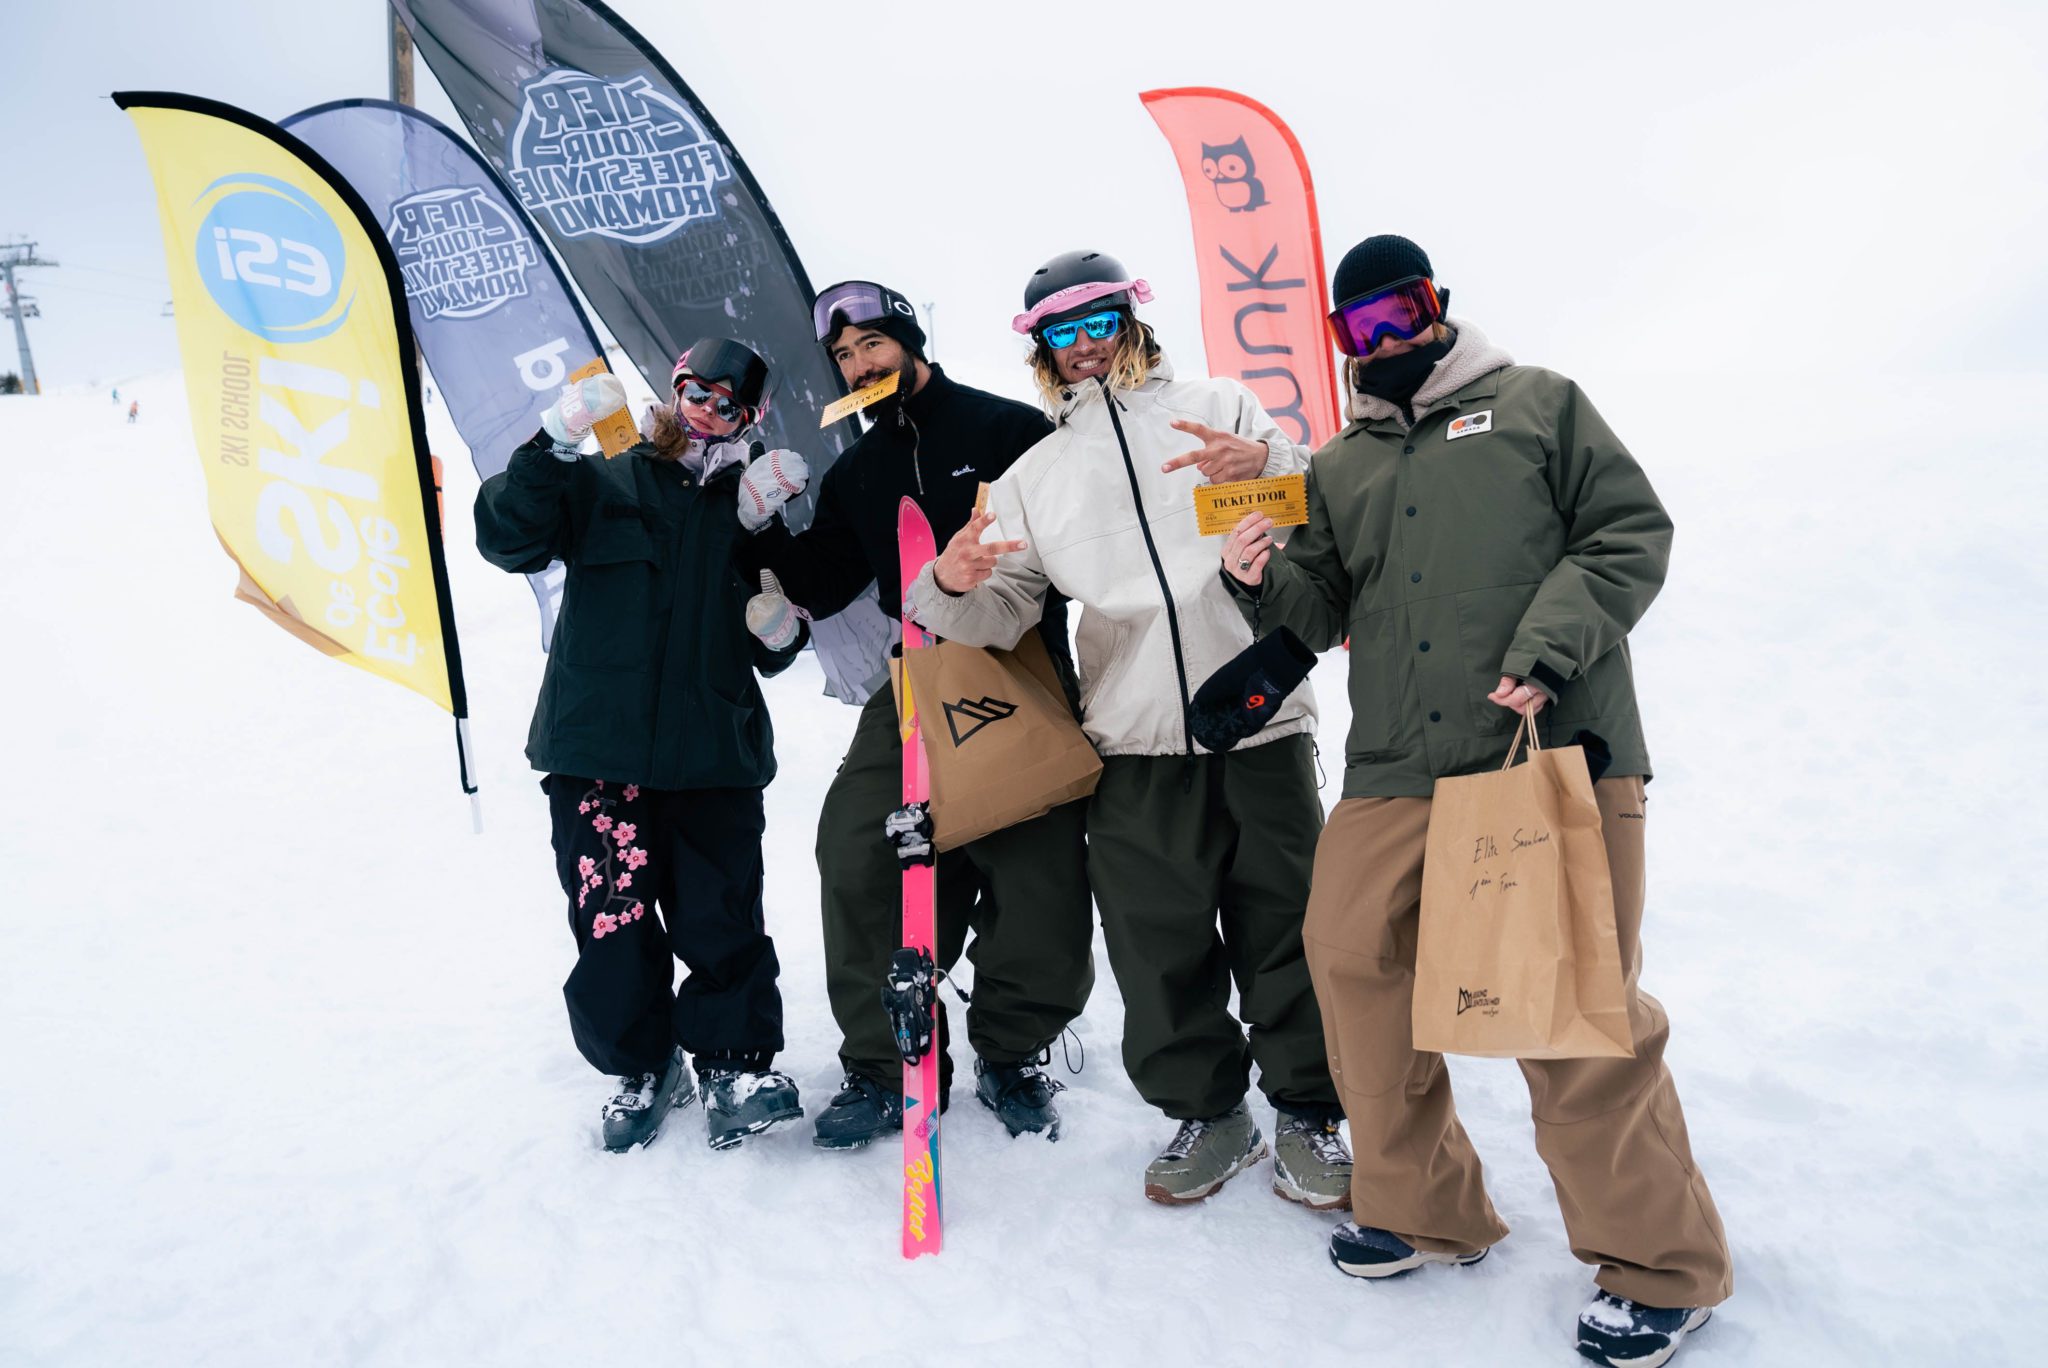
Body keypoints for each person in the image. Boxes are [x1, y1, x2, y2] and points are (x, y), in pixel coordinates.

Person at [1219, 234, 1733, 1366]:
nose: (1383, 338)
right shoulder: (1341, 463)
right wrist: (1257, 577)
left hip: (1543, 746)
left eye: (1398, 312)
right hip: (1397, 763)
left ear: (1436, 305)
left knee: (1570, 1005)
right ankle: (1423, 1209)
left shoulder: (1538, 404)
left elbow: (1627, 533)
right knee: (1349, 957)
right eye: (1358, 326)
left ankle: (1660, 1267)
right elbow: (1320, 607)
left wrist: (1548, 650)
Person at [906, 250, 1353, 1209]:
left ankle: (1310, 1113)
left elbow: (1317, 522)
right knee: (1160, 946)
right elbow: (1004, 611)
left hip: (1262, 722)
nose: (1084, 344)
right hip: (1134, 740)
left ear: (1130, 320)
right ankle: (1211, 1113)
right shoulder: (1033, 477)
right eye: (1061, 331)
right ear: (1041, 349)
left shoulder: (1222, 407)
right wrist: (949, 584)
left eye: (1098, 320)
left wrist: (1270, 466)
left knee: (1289, 927)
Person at [735, 280, 1096, 1150]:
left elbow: (1076, 540)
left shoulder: (1008, 430)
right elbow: (825, 582)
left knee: (1036, 871)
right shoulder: (859, 471)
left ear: (907, 340)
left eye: (872, 344)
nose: (860, 364)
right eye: (844, 356)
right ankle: (882, 1059)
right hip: (915, 677)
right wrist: (761, 526)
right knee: (855, 847)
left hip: (1019, 667)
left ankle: (1011, 1050)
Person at [475, 338, 809, 1154]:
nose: (708, 411)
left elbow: (778, 633)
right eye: (698, 392)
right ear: (675, 388)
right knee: (612, 922)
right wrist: (553, 439)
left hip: (713, 750)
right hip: (600, 749)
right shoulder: (605, 479)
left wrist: (779, 623)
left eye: (729, 405)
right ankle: (645, 1065)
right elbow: (508, 539)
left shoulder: (754, 507)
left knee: (720, 915)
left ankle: (733, 1068)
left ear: (750, 418)